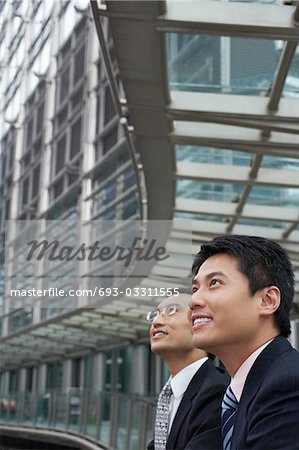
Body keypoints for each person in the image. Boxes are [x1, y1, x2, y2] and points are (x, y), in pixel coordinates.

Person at [190, 234, 299, 450]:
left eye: (214, 283)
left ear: (267, 301)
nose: (194, 300)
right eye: (195, 289)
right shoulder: (244, 389)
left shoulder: (288, 386)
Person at [146, 291, 229, 450]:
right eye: (154, 315)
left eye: (171, 311)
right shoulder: (169, 394)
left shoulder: (217, 391)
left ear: (198, 322)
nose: (156, 322)